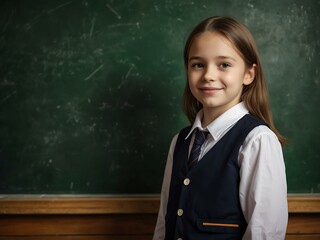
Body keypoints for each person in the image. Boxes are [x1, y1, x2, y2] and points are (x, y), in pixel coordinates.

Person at [153, 16, 288, 240]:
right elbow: (164, 221)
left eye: (224, 65)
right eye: (198, 65)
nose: (208, 75)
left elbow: (264, 232)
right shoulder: (181, 140)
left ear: (248, 74)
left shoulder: (258, 140)